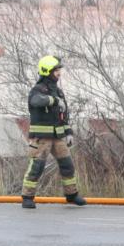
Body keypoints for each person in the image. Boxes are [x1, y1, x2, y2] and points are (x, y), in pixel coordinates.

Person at [22, 54, 86, 209]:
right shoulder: (37, 90)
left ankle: (71, 195)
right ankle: (27, 197)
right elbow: (36, 101)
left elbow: (63, 117)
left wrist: (68, 132)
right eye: (56, 70)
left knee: (67, 165)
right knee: (36, 168)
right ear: (47, 71)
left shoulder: (58, 92)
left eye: (59, 70)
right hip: (41, 139)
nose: (59, 73)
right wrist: (54, 101)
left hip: (58, 138)